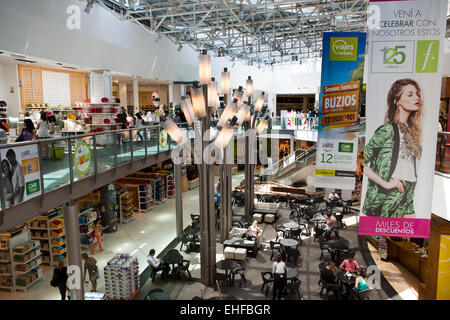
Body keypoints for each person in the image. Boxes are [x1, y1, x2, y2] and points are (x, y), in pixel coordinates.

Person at [363, 79, 423, 218]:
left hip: (409, 190)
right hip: (392, 190)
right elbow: (362, 163)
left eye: (417, 94)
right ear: (397, 101)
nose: (416, 97)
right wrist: (386, 184)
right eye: (410, 94)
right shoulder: (387, 130)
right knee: (383, 236)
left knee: (408, 235)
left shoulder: (413, 131)